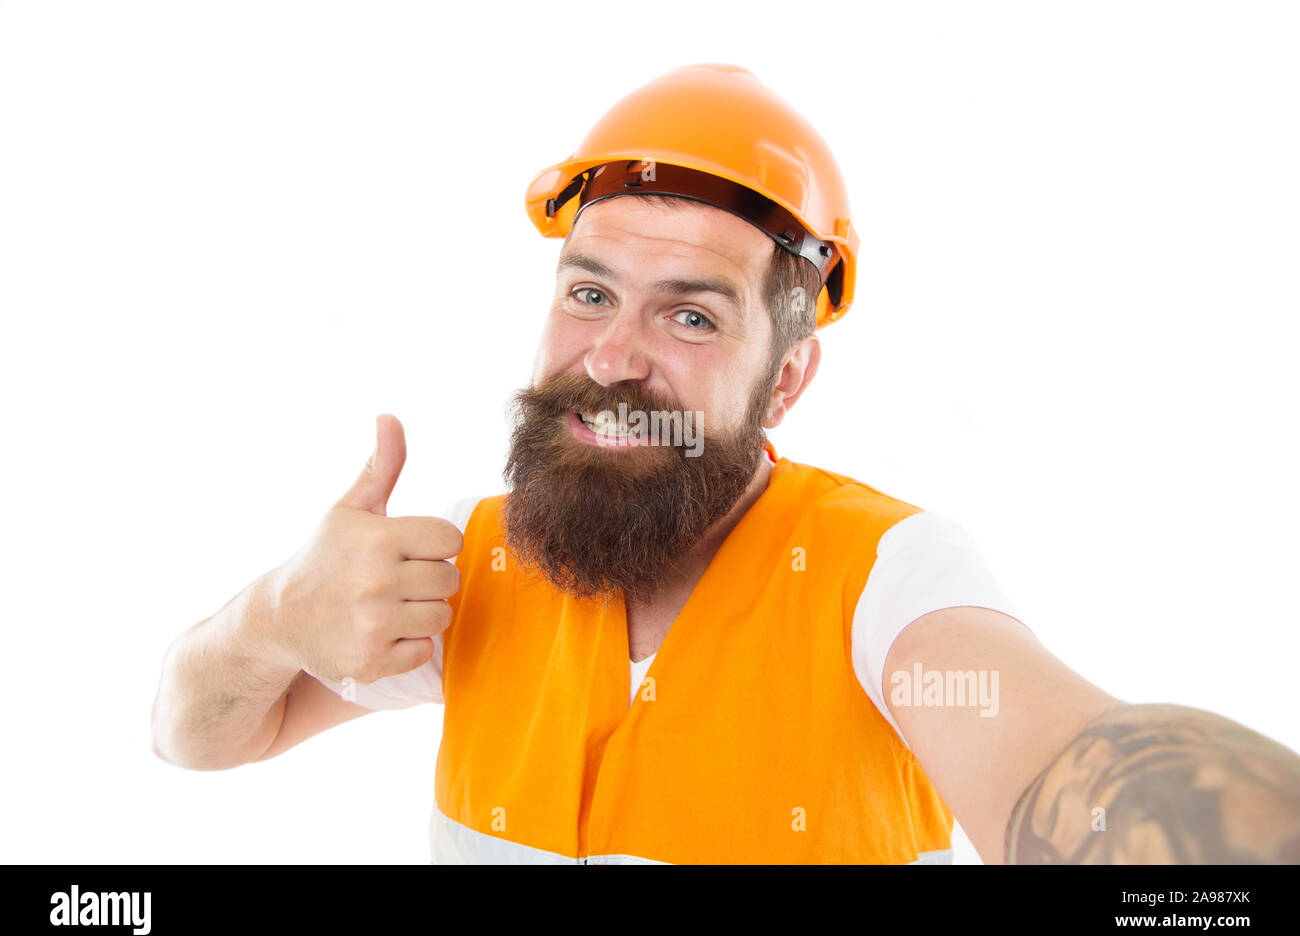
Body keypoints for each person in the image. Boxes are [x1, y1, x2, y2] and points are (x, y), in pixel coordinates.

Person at [151, 63, 1300, 864]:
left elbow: (1068, 766)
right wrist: (268, 618)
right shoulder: (470, 565)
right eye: (589, 293)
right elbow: (193, 735)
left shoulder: (883, 579)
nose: (611, 361)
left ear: (786, 380)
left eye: (689, 319)